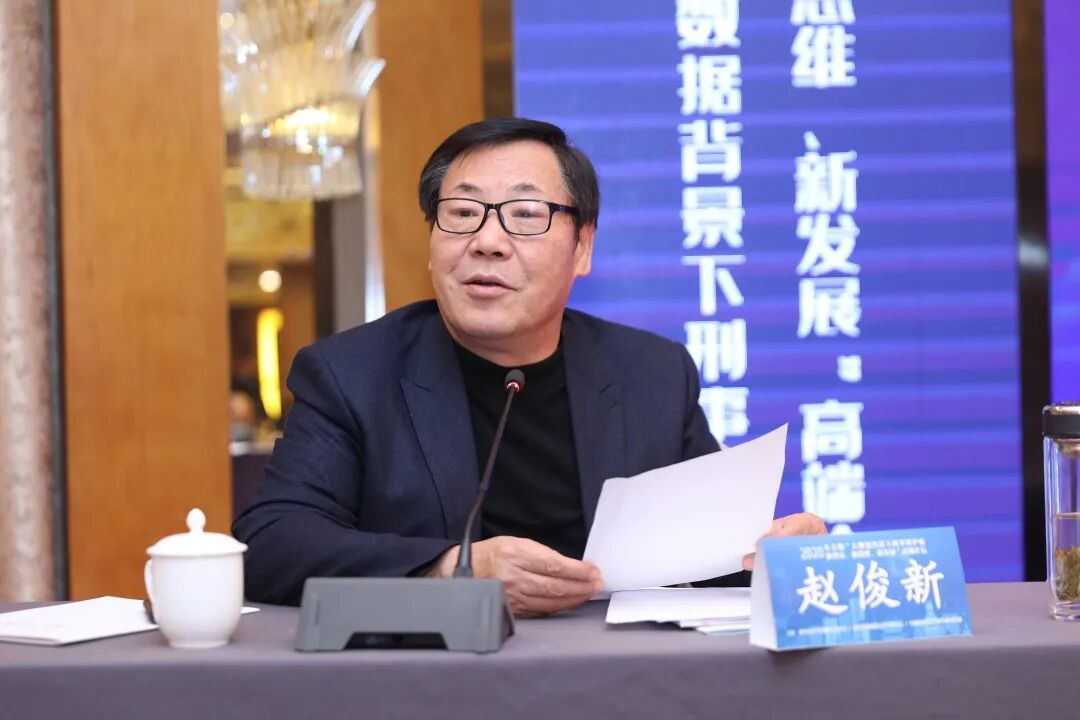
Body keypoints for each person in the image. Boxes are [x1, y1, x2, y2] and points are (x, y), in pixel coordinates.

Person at [232, 118, 825, 616]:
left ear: (583, 247)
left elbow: (705, 554)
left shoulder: (651, 374)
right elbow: (271, 544)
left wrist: (772, 558)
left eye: (524, 214)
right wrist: (451, 569)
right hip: (433, 682)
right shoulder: (351, 375)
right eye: (462, 212)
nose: (488, 241)